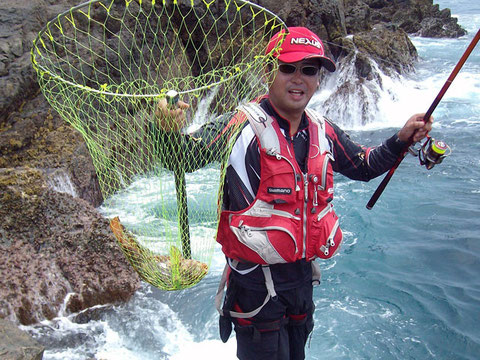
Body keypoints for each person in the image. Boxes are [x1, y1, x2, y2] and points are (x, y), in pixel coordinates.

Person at [153, 27, 433, 360]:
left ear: (318, 79)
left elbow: (362, 165)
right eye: (288, 68)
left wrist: (400, 139)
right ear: (267, 71)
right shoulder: (240, 125)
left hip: (301, 282)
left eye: (309, 70)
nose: (298, 78)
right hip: (254, 285)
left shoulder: (322, 128)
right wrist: (165, 130)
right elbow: (183, 156)